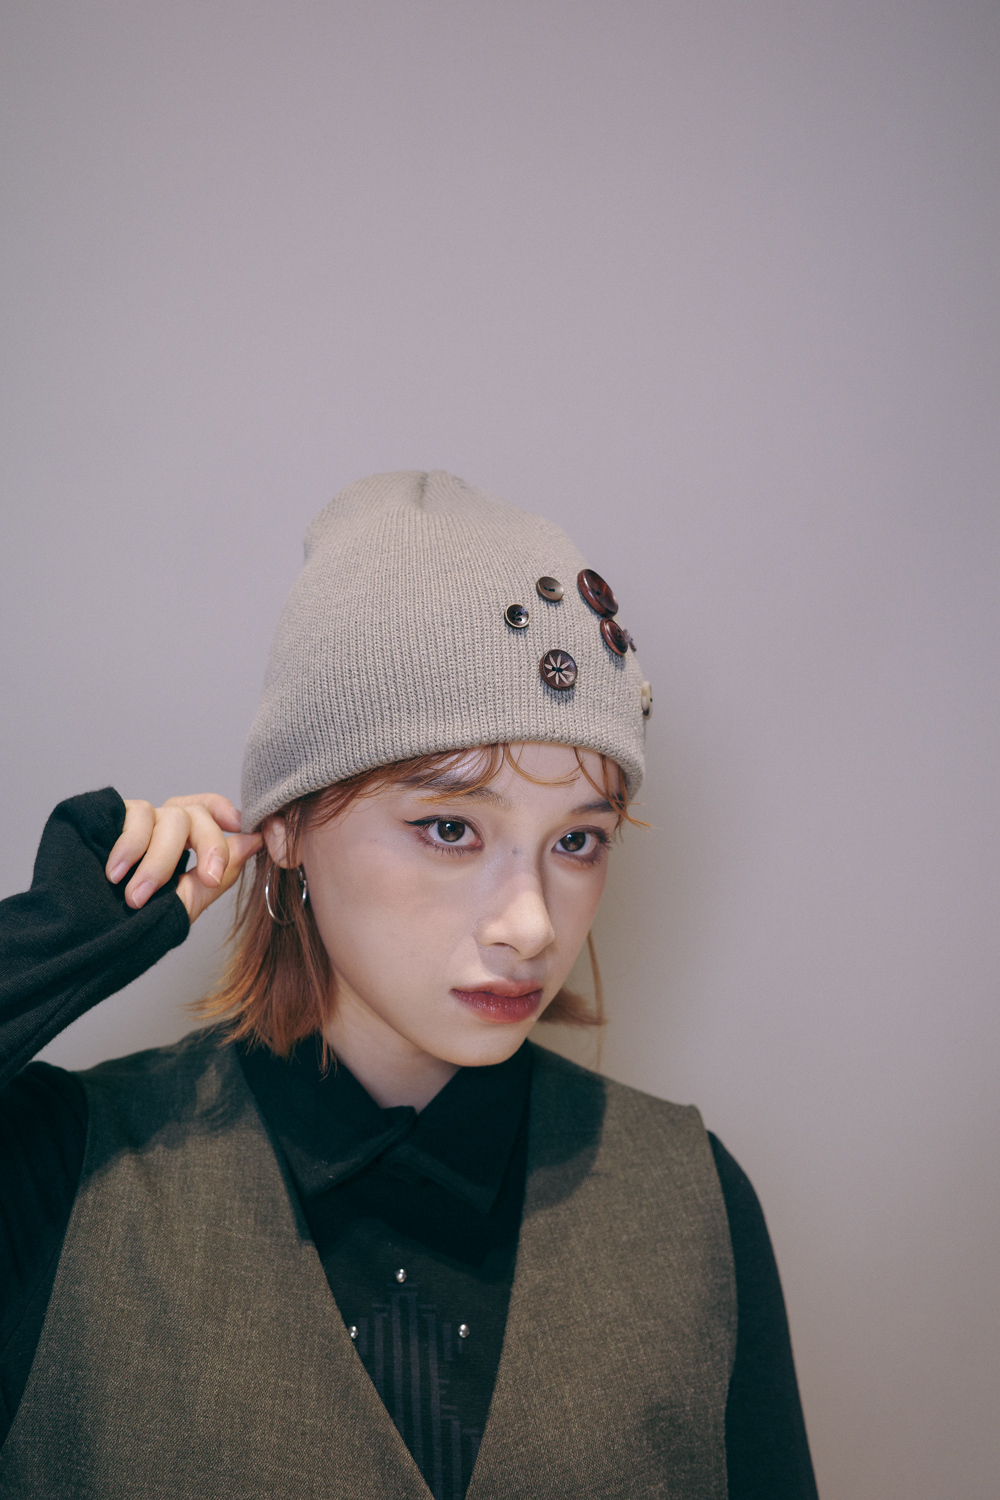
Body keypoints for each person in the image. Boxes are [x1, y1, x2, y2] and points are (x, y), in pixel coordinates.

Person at [0, 471, 818, 1499]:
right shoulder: (60, 1170)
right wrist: (60, 939)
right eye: (449, 828)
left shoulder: (691, 1204)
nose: (531, 924)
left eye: (577, 841)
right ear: (286, 825)